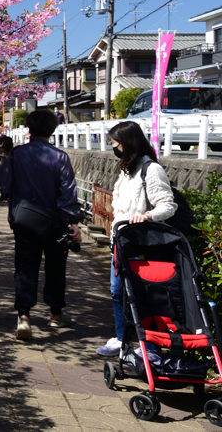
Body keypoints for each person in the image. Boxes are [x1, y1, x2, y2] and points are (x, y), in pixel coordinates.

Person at [0, 110, 82, 341]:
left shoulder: (16, 155)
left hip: (24, 222)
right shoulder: (60, 157)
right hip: (55, 223)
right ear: (53, 130)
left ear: (29, 129)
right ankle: (55, 314)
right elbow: (68, 192)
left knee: (25, 268)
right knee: (56, 267)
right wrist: (72, 221)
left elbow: (3, 185)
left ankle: (24, 317)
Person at [96, 121, 177, 357]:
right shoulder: (126, 168)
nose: (113, 147)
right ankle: (122, 339)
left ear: (127, 142)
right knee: (116, 290)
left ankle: (148, 346)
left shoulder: (150, 170)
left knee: (140, 294)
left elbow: (168, 205)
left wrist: (148, 215)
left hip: (140, 242)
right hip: (120, 242)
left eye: (115, 143)